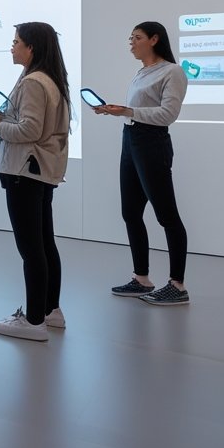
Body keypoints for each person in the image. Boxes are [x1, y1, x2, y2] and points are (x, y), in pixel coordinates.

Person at [0, 22, 71, 342]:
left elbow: (30, 130)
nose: (12, 47)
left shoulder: (34, 82)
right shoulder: (49, 79)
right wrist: (2, 117)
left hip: (25, 172)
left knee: (31, 248)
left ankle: (33, 321)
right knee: (44, 242)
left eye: (16, 41)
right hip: (39, 172)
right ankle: (50, 310)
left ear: (31, 48)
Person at [93, 21, 190, 306]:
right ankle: (142, 279)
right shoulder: (141, 72)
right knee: (130, 212)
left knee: (167, 215)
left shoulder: (172, 71)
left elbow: (167, 114)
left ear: (154, 39)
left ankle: (178, 285)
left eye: (137, 38)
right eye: (130, 38)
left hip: (152, 143)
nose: (131, 43)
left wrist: (127, 110)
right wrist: (119, 112)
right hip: (131, 139)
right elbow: (139, 111)